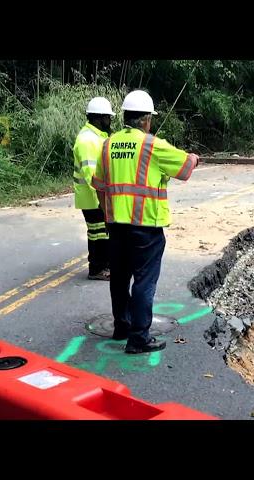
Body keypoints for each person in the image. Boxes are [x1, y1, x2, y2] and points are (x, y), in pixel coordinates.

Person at [92, 90, 200, 353]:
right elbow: (185, 168)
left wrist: (108, 216)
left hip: (116, 226)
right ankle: (139, 338)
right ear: (146, 120)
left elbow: (99, 185)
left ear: (125, 117)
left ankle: (122, 326)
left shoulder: (107, 145)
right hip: (145, 228)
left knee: (119, 279)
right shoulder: (152, 144)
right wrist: (195, 158)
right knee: (144, 281)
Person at [72, 97, 115, 280]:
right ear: (99, 118)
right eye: (108, 117)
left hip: (94, 196)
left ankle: (103, 266)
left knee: (101, 232)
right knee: (98, 233)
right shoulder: (88, 140)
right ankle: (97, 268)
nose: (110, 121)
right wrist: (102, 199)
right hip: (92, 197)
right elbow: (91, 175)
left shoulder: (96, 136)